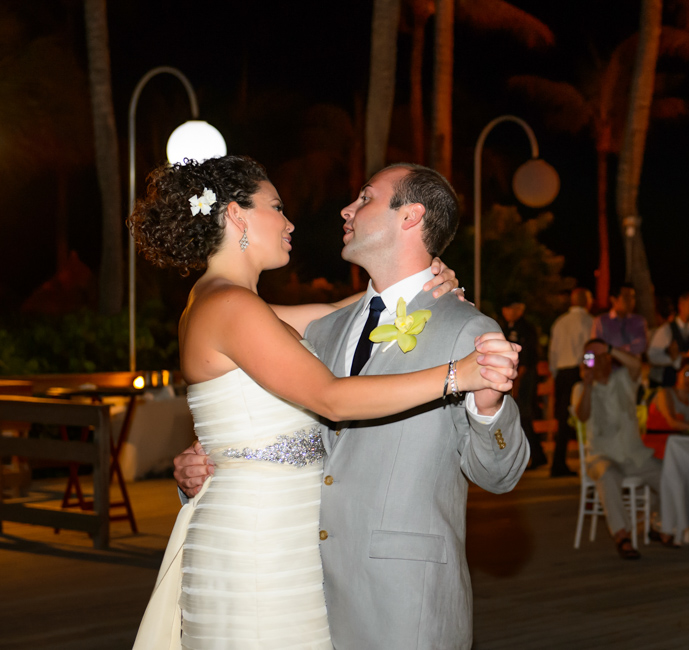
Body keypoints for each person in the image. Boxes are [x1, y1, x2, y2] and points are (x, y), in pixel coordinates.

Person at [168, 160, 529, 649]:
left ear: (409, 217)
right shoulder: (308, 331)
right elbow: (323, 400)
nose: (345, 208)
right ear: (236, 217)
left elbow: (499, 474)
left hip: (401, 599)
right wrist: (214, 454)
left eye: (364, 197)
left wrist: (487, 406)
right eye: (278, 208)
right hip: (295, 574)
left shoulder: (465, 330)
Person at [572, 339, 668, 559]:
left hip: (635, 455)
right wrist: (587, 385)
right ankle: (622, 535)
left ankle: (657, 524)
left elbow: (636, 366)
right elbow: (582, 415)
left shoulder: (622, 379)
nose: (594, 362)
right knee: (608, 475)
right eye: (589, 357)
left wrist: (609, 348)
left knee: (667, 475)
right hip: (601, 455)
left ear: (608, 359)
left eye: (598, 356)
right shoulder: (579, 388)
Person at [547, 288, 594, 477]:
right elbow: (590, 349)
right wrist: (590, 369)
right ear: (586, 301)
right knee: (583, 417)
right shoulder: (589, 321)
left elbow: (553, 352)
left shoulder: (560, 322)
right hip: (578, 372)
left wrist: (554, 373)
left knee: (563, 420)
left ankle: (558, 463)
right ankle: (589, 461)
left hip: (562, 373)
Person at [502, 298, 548, 469]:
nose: (506, 312)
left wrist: (518, 380)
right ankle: (534, 455)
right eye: (505, 309)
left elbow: (526, 358)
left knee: (523, 415)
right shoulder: (507, 327)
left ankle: (535, 455)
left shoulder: (526, 329)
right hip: (513, 377)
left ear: (519, 309)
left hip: (524, 378)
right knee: (518, 416)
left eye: (509, 308)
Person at [644, 356, 689, 459]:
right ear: (678, 373)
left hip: (679, 450)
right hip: (657, 450)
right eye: (687, 373)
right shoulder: (665, 394)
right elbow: (673, 423)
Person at [647, 291, 689, 388]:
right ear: (681, 305)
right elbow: (652, 356)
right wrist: (672, 359)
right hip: (669, 384)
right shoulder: (666, 330)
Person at [591, 283, 648, 357]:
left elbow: (641, 345)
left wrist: (615, 351)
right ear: (613, 299)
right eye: (626, 297)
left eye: (633, 297)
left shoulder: (638, 321)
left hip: (632, 366)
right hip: (611, 367)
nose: (631, 301)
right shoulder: (601, 321)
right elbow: (597, 347)